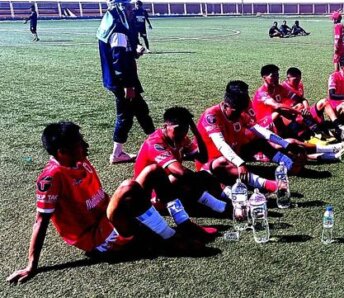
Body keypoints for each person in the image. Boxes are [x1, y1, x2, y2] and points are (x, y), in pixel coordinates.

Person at [6, 122, 204, 284]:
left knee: (153, 170)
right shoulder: (51, 178)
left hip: (111, 218)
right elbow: (41, 221)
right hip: (98, 238)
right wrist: (31, 265)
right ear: (62, 151)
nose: (85, 144)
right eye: (78, 142)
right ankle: (170, 239)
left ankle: (183, 221)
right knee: (127, 187)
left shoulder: (79, 160)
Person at [196, 81, 307, 192]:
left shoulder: (239, 112)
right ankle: (269, 185)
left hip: (234, 154)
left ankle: (289, 164)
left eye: (241, 112)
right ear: (225, 105)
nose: (239, 115)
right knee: (223, 161)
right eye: (236, 112)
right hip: (212, 164)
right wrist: (240, 163)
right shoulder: (211, 115)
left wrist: (285, 144)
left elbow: (261, 131)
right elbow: (221, 144)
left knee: (259, 141)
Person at [134, 107, 228, 226]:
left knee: (204, 175)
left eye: (185, 129)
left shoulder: (181, 138)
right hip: (152, 195)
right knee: (179, 177)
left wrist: (196, 133)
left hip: (168, 186)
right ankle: (218, 206)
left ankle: (229, 198)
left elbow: (203, 158)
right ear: (165, 126)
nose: (182, 133)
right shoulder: (155, 143)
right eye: (178, 129)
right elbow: (180, 172)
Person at [97, 0, 155, 164]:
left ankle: (152, 142)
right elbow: (118, 59)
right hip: (123, 81)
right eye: (127, 5)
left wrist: (135, 51)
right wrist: (128, 85)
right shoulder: (117, 28)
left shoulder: (111, 23)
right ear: (119, 6)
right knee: (128, 114)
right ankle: (154, 144)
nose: (130, 9)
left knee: (138, 111)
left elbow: (122, 53)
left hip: (121, 80)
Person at [252, 65, 344, 161]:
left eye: (277, 75)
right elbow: (277, 106)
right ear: (264, 77)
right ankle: (311, 137)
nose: (276, 78)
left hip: (279, 125)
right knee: (281, 116)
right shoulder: (262, 92)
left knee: (297, 149)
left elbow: (298, 99)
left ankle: (334, 153)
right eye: (273, 76)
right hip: (264, 127)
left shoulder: (279, 88)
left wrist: (304, 107)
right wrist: (297, 110)